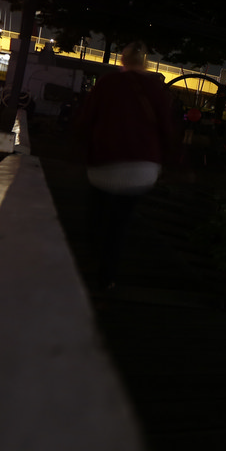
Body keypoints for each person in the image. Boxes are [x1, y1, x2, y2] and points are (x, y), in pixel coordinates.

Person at [77, 41, 176, 290]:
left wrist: (82, 150)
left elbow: (86, 121)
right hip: (142, 168)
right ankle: (107, 276)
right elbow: (167, 129)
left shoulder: (107, 83)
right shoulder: (155, 88)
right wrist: (174, 161)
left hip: (104, 163)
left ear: (122, 60)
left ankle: (88, 257)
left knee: (96, 212)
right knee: (119, 223)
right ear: (145, 62)